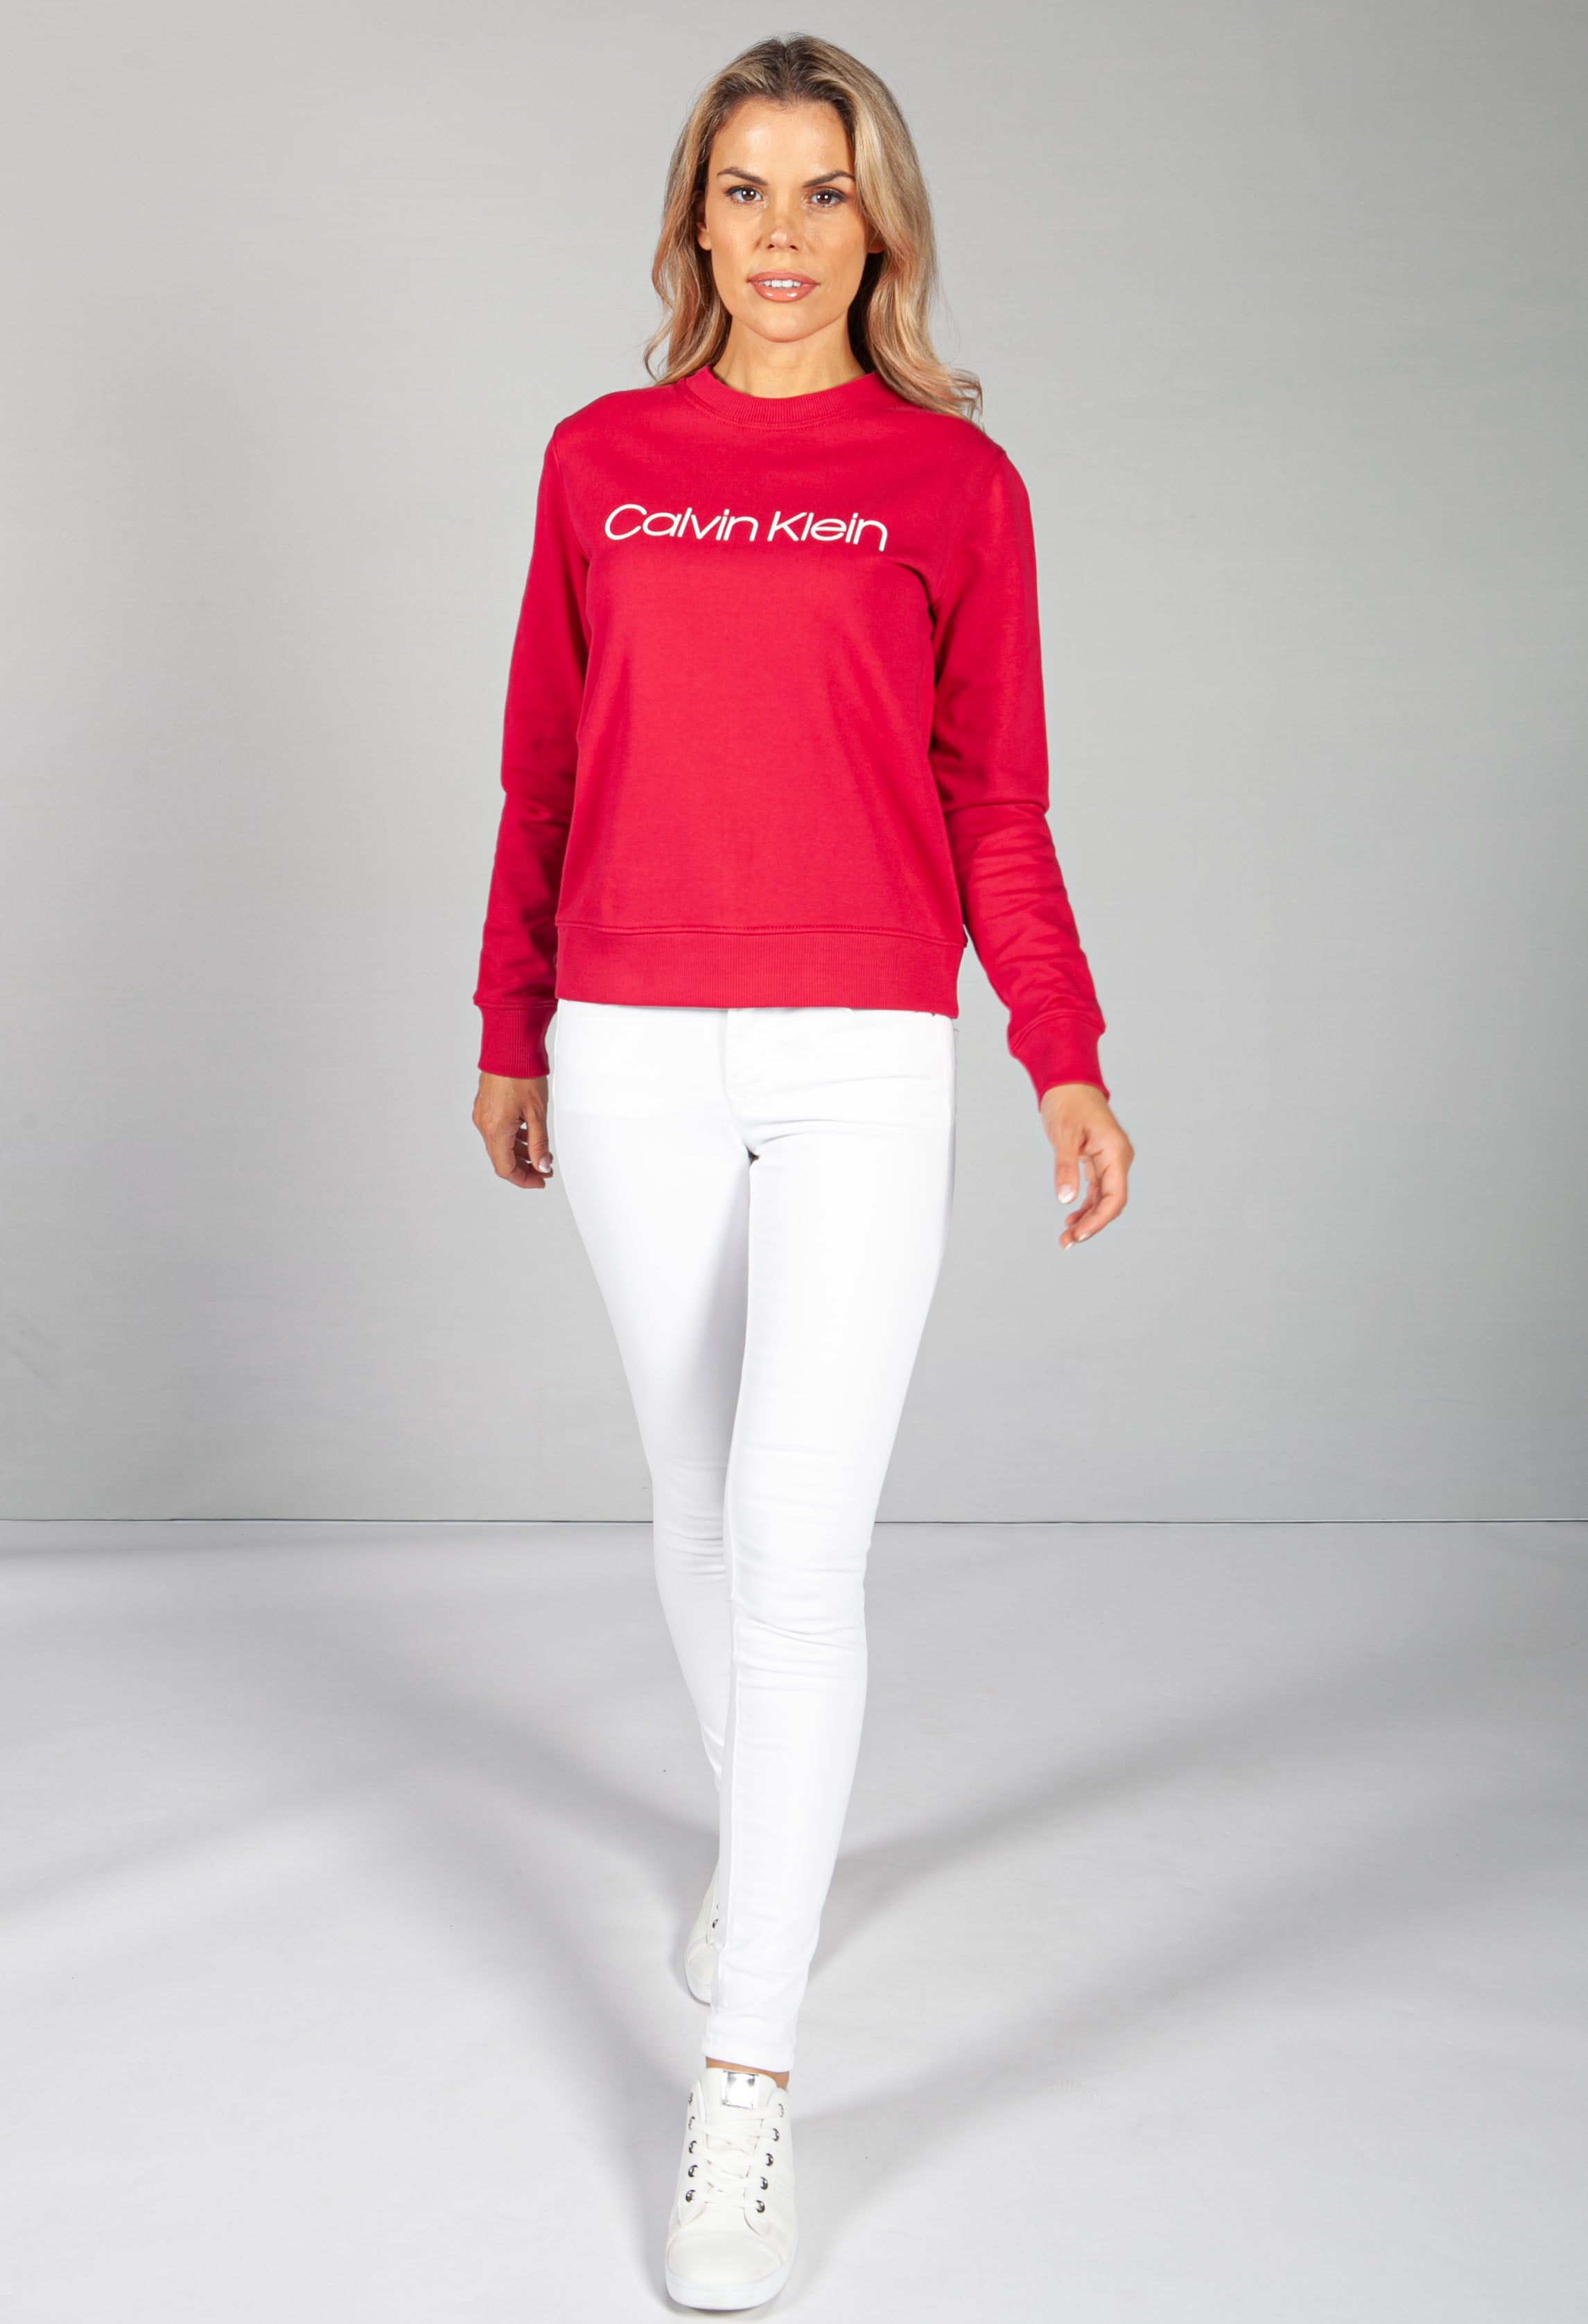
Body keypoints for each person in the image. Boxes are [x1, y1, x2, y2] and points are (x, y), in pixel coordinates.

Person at [470, 33, 1133, 2312]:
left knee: (793, 1536)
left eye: (821, 192)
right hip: (629, 1042)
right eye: (741, 190)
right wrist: (507, 1023)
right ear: (694, 219)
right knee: (687, 1499)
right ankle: (778, 1856)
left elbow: (996, 802)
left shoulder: (952, 481)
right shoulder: (600, 460)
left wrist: (1060, 1052)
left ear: (881, 224)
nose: (779, 234)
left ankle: (744, 2070)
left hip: (861, 1052)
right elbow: (541, 772)